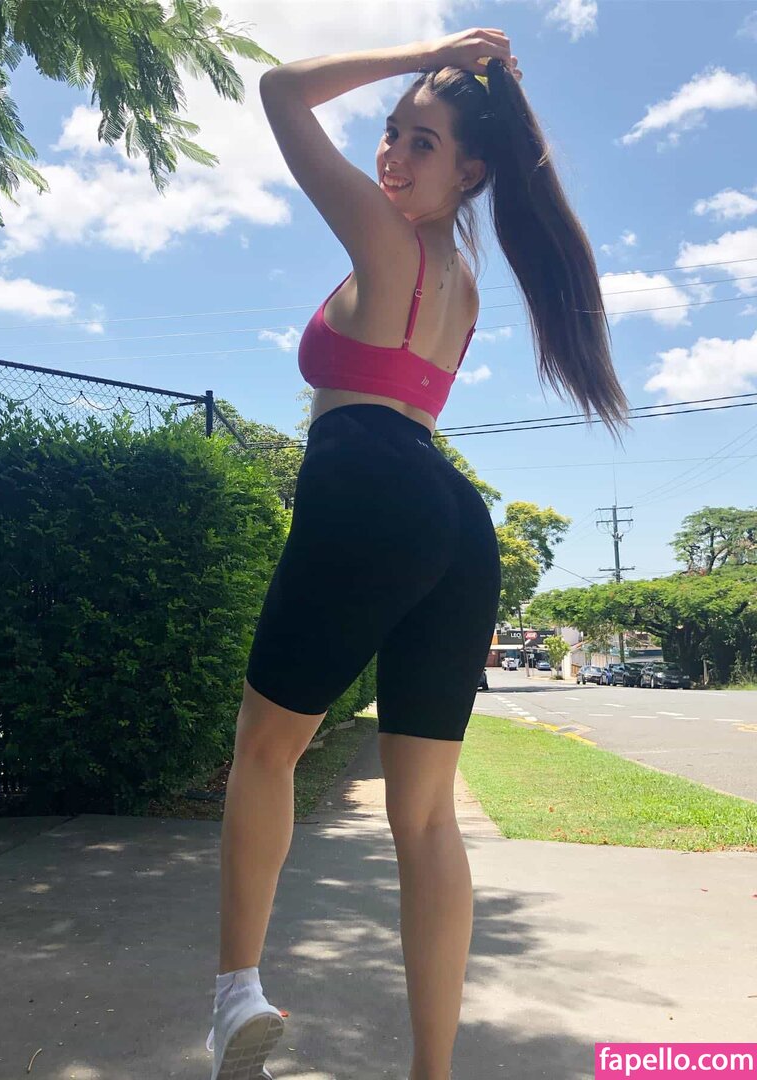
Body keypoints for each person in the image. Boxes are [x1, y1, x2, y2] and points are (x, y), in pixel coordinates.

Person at [206, 27, 630, 1080]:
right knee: (429, 818)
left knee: (265, 752)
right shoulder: (462, 284)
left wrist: (425, 50)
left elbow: (278, 90)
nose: (391, 156)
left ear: (470, 173)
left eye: (421, 143)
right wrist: (441, 81)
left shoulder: (384, 239)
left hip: (368, 485)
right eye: (391, 135)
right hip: (453, 518)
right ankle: (433, 1071)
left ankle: (234, 995)